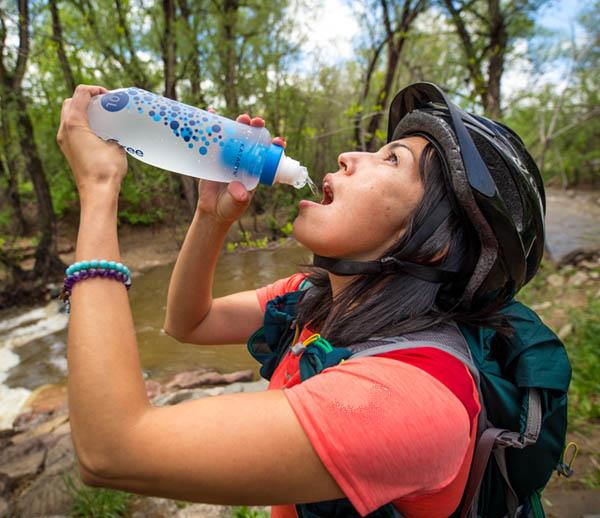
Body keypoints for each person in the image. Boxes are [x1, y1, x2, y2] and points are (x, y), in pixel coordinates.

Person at [56, 82, 546, 518]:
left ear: (436, 243)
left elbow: (111, 451)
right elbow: (190, 322)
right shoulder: (320, 298)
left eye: (392, 159)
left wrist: (99, 190)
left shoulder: (413, 400)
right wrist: (212, 215)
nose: (349, 157)